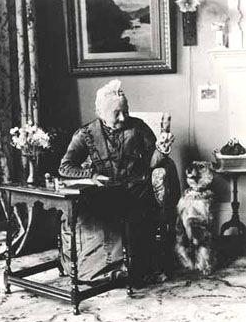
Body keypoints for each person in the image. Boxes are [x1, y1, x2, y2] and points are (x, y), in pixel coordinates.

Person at [58, 79, 180, 287]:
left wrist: (162, 149)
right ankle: (96, 273)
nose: (123, 117)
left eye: (126, 111)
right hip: (103, 195)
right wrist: (92, 174)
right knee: (92, 219)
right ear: (100, 112)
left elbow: (153, 163)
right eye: (117, 113)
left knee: (131, 217)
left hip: (137, 193)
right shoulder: (85, 134)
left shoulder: (138, 128)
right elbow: (65, 167)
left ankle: (127, 272)